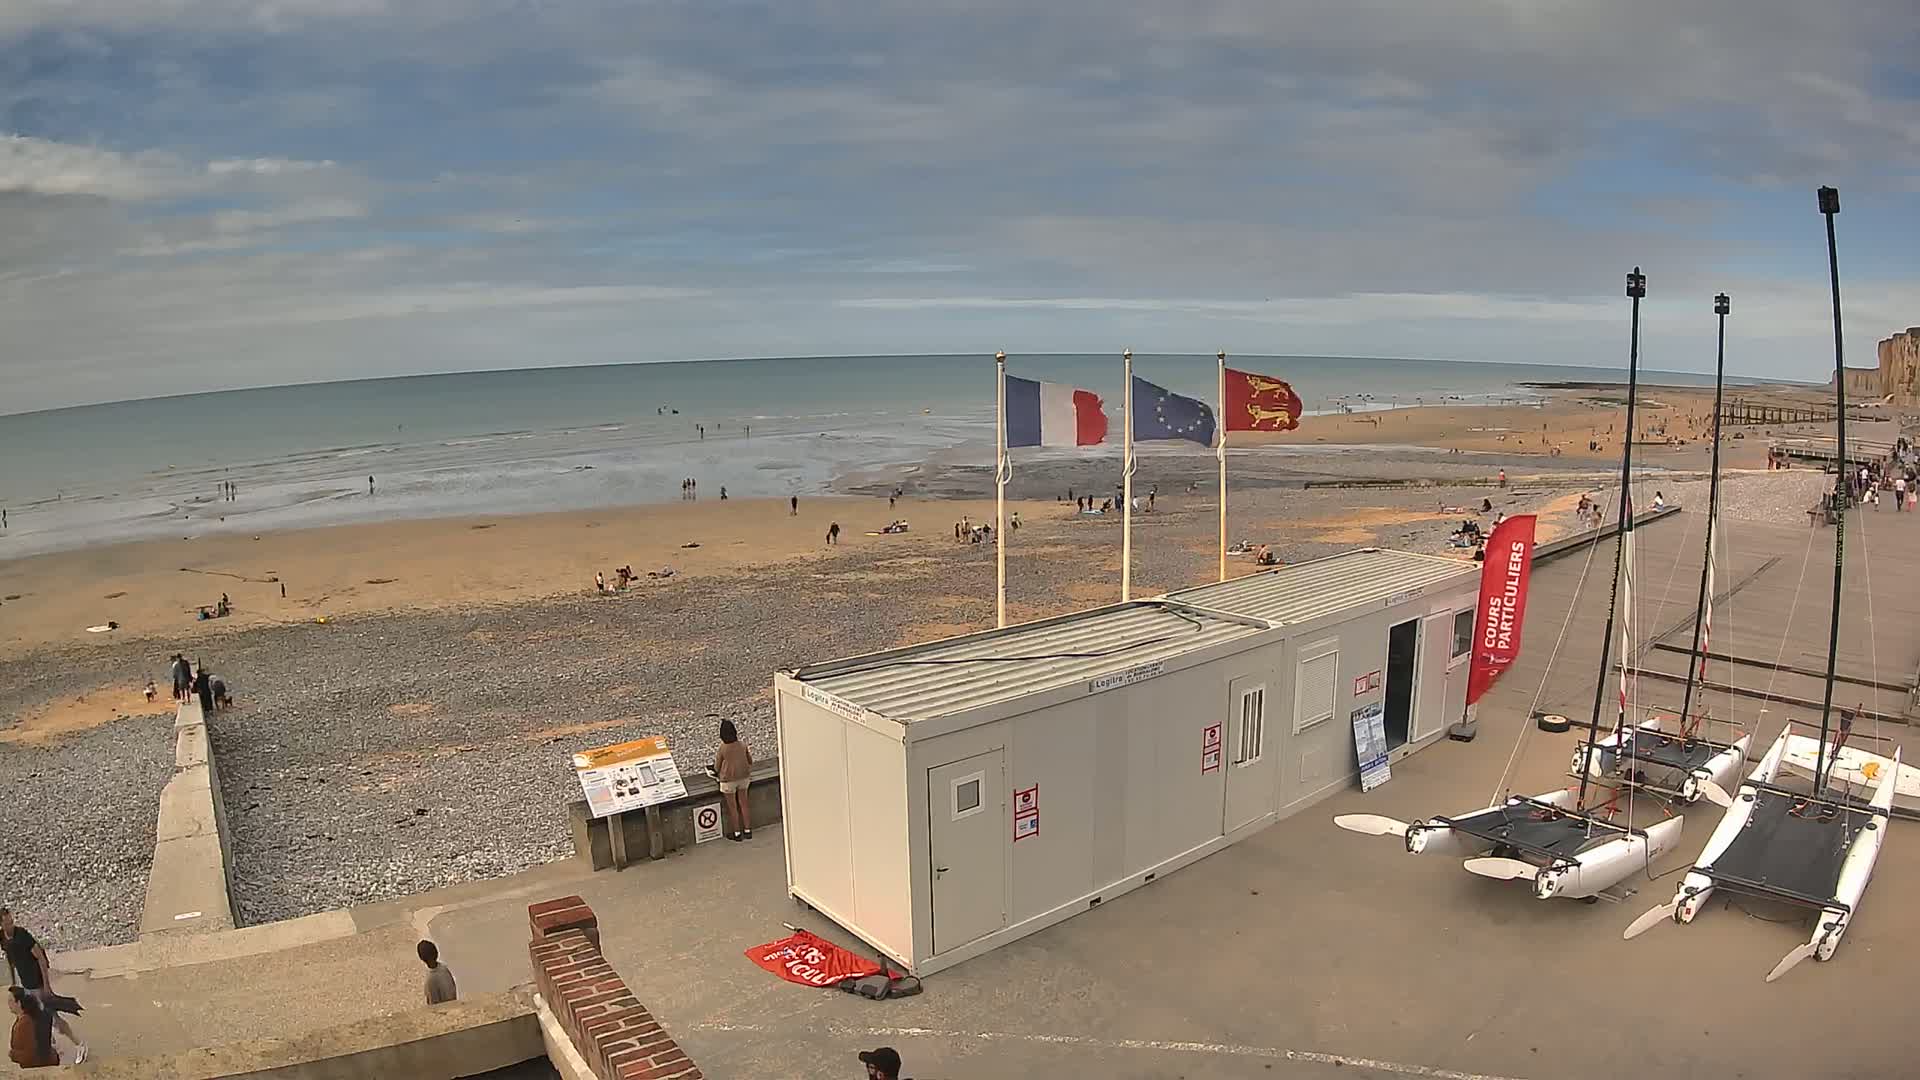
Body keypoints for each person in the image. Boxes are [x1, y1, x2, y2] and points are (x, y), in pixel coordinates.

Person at [1, 912, 82, 1063]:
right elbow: (10, 959)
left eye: (11, 921)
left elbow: (41, 959)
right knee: (37, 1019)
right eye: (7, 923)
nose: (11, 925)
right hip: (25, 986)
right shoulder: (3, 938)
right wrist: (14, 983)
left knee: (53, 1019)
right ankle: (51, 1045)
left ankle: (79, 1045)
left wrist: (46, 986)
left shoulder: (23, 936)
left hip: (37, 985)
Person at [715, 719, 753, 841]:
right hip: (744, 778)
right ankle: (748, 830)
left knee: (733, 807)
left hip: (728, 780)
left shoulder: (723, 748)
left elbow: (717, 767)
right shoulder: (742, 745)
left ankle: (737, 833)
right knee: (744, 804)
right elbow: (750, 761)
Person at [8, 988, 55, 1069]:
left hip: (36, 1066)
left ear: (18, 1003)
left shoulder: (25, 1023)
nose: (8, 1004)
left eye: (11, 1001)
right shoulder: (25, 1019)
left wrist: (13, 1054)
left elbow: (29, 1054)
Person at [418, 940, 457, 1005]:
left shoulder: (430, 979)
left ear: (422, 958)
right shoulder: (444, 969)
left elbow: (433, 1004)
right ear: (436, 952)